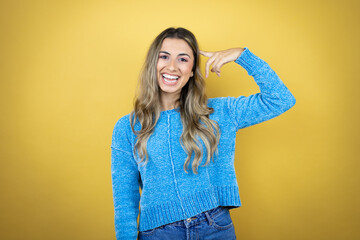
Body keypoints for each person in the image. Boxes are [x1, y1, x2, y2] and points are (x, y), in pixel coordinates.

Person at [111, 27, 296, 240]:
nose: (172, 66)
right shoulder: (128, 127)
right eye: (164, 57)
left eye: (183, 59)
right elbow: (125, 200)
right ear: (153, 63)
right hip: (159, 234)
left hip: (214, 228)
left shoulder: (219, 113)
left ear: (191, 71)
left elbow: (281, 99)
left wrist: (241, 55)